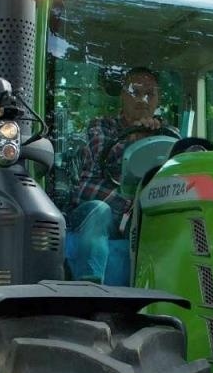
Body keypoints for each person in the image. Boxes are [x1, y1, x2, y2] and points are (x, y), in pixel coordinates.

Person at [66, 66, 170, 284]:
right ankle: (89, 289)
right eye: (135, 91)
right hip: (93, 211)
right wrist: (134, 139)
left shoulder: (167, 135)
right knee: (99, 211)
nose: (142, 99)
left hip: (136, 216)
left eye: (149, 94)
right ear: (123, 95)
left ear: (157, 100)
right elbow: (101, 155)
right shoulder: (101, 125)